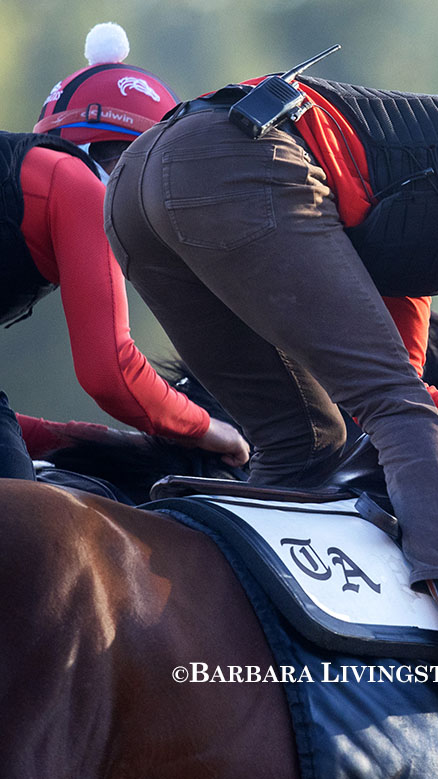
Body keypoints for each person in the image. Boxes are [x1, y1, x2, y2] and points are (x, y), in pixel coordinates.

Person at [105, 13, 438, 697]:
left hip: (138, 185)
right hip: (231, 165)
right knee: (390, 413)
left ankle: (229, 630)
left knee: (301, 442)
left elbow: (410, 385)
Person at [0, 22, 249, 481]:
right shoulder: (77, 187)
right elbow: (109, 374)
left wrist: (77, 437)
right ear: (140, 158)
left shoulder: (33, 180)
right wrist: (210, 431)